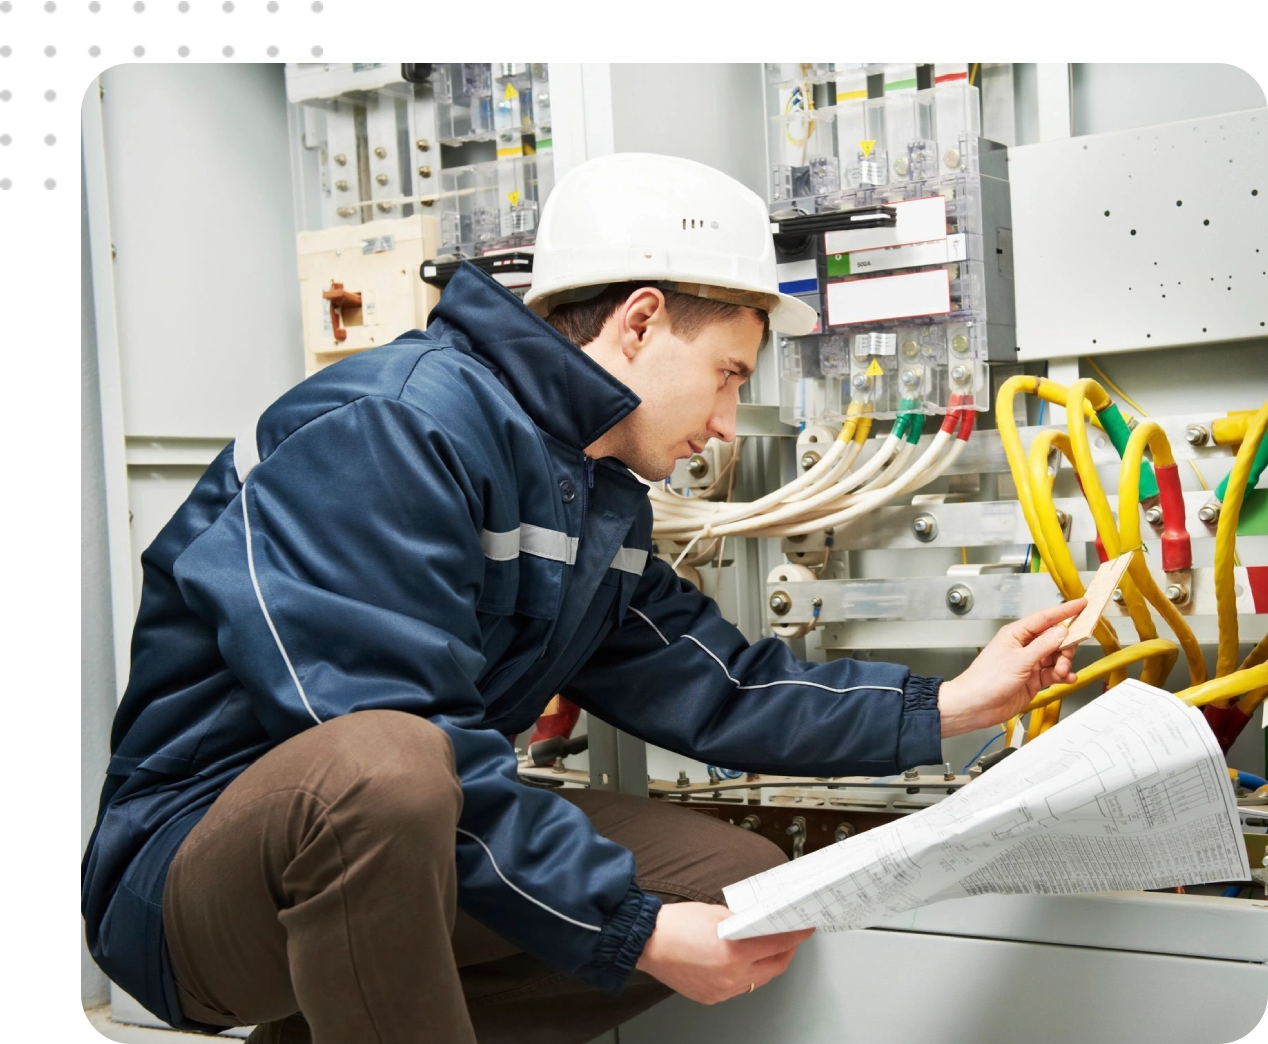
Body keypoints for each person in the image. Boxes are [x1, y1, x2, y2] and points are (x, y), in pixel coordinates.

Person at [82, 152, 1081, 1044]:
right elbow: (384, 729)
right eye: (726, 376)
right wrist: (632, 931)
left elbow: (718, 685)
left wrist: (953, 703)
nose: (727, 423)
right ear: (639, 321)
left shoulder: (589, 494)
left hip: (393, 845)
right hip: (188, 882)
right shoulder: (390, 428)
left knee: (735, 892)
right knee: (387, 764)